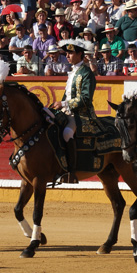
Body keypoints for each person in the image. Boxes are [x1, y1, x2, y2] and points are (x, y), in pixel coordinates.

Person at [51, 39, 96, 183]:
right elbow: (68, 95)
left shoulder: (87, 73)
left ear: (80, 54)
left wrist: (63, 103)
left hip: (81, 114)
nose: (67, 55)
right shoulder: (73, 72)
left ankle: (70, 172)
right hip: (68, 111)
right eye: (67, 53)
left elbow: (86, 99)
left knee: (67, 133)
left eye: (71, 53)